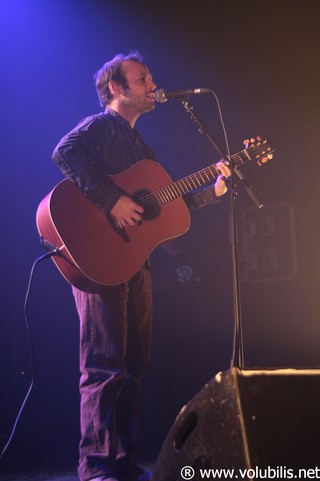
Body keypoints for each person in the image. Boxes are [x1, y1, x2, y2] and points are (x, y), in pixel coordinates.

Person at [52, 51, 230, 481]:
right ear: (117, 88)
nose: (153, 84)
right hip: (97, 258)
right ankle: (96, 467)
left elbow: (168, 204)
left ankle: (123, 462)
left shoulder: (142, 149)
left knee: (133, 366)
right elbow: (64, 152)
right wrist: (112, 200)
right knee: (104, 365)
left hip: (135, 261)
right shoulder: (98, 127)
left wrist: (215, 190)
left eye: (151, 77)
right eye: (143, 78)